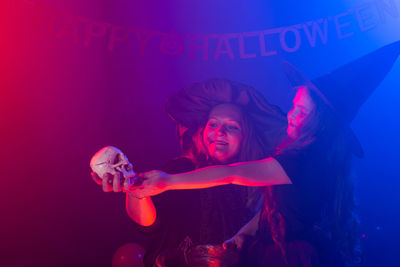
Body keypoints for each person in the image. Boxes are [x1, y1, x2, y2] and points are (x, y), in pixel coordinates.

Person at [129, 41, 400, 266]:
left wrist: (168, 182)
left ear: (323, 123)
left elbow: (233, 174)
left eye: (302, 112)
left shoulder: (305, 160)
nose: (291, 116)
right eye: (294, 107)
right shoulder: (303, 156)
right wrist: (243, 234)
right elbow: (279, 206)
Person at [92, 78, 287, 266]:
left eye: (232, 126)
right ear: (202, 131)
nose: (219, 131)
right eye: (213, 124)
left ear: (246, 136)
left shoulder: (261, 182)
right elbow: (148, 225)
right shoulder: (181, 169)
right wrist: (135, 187)